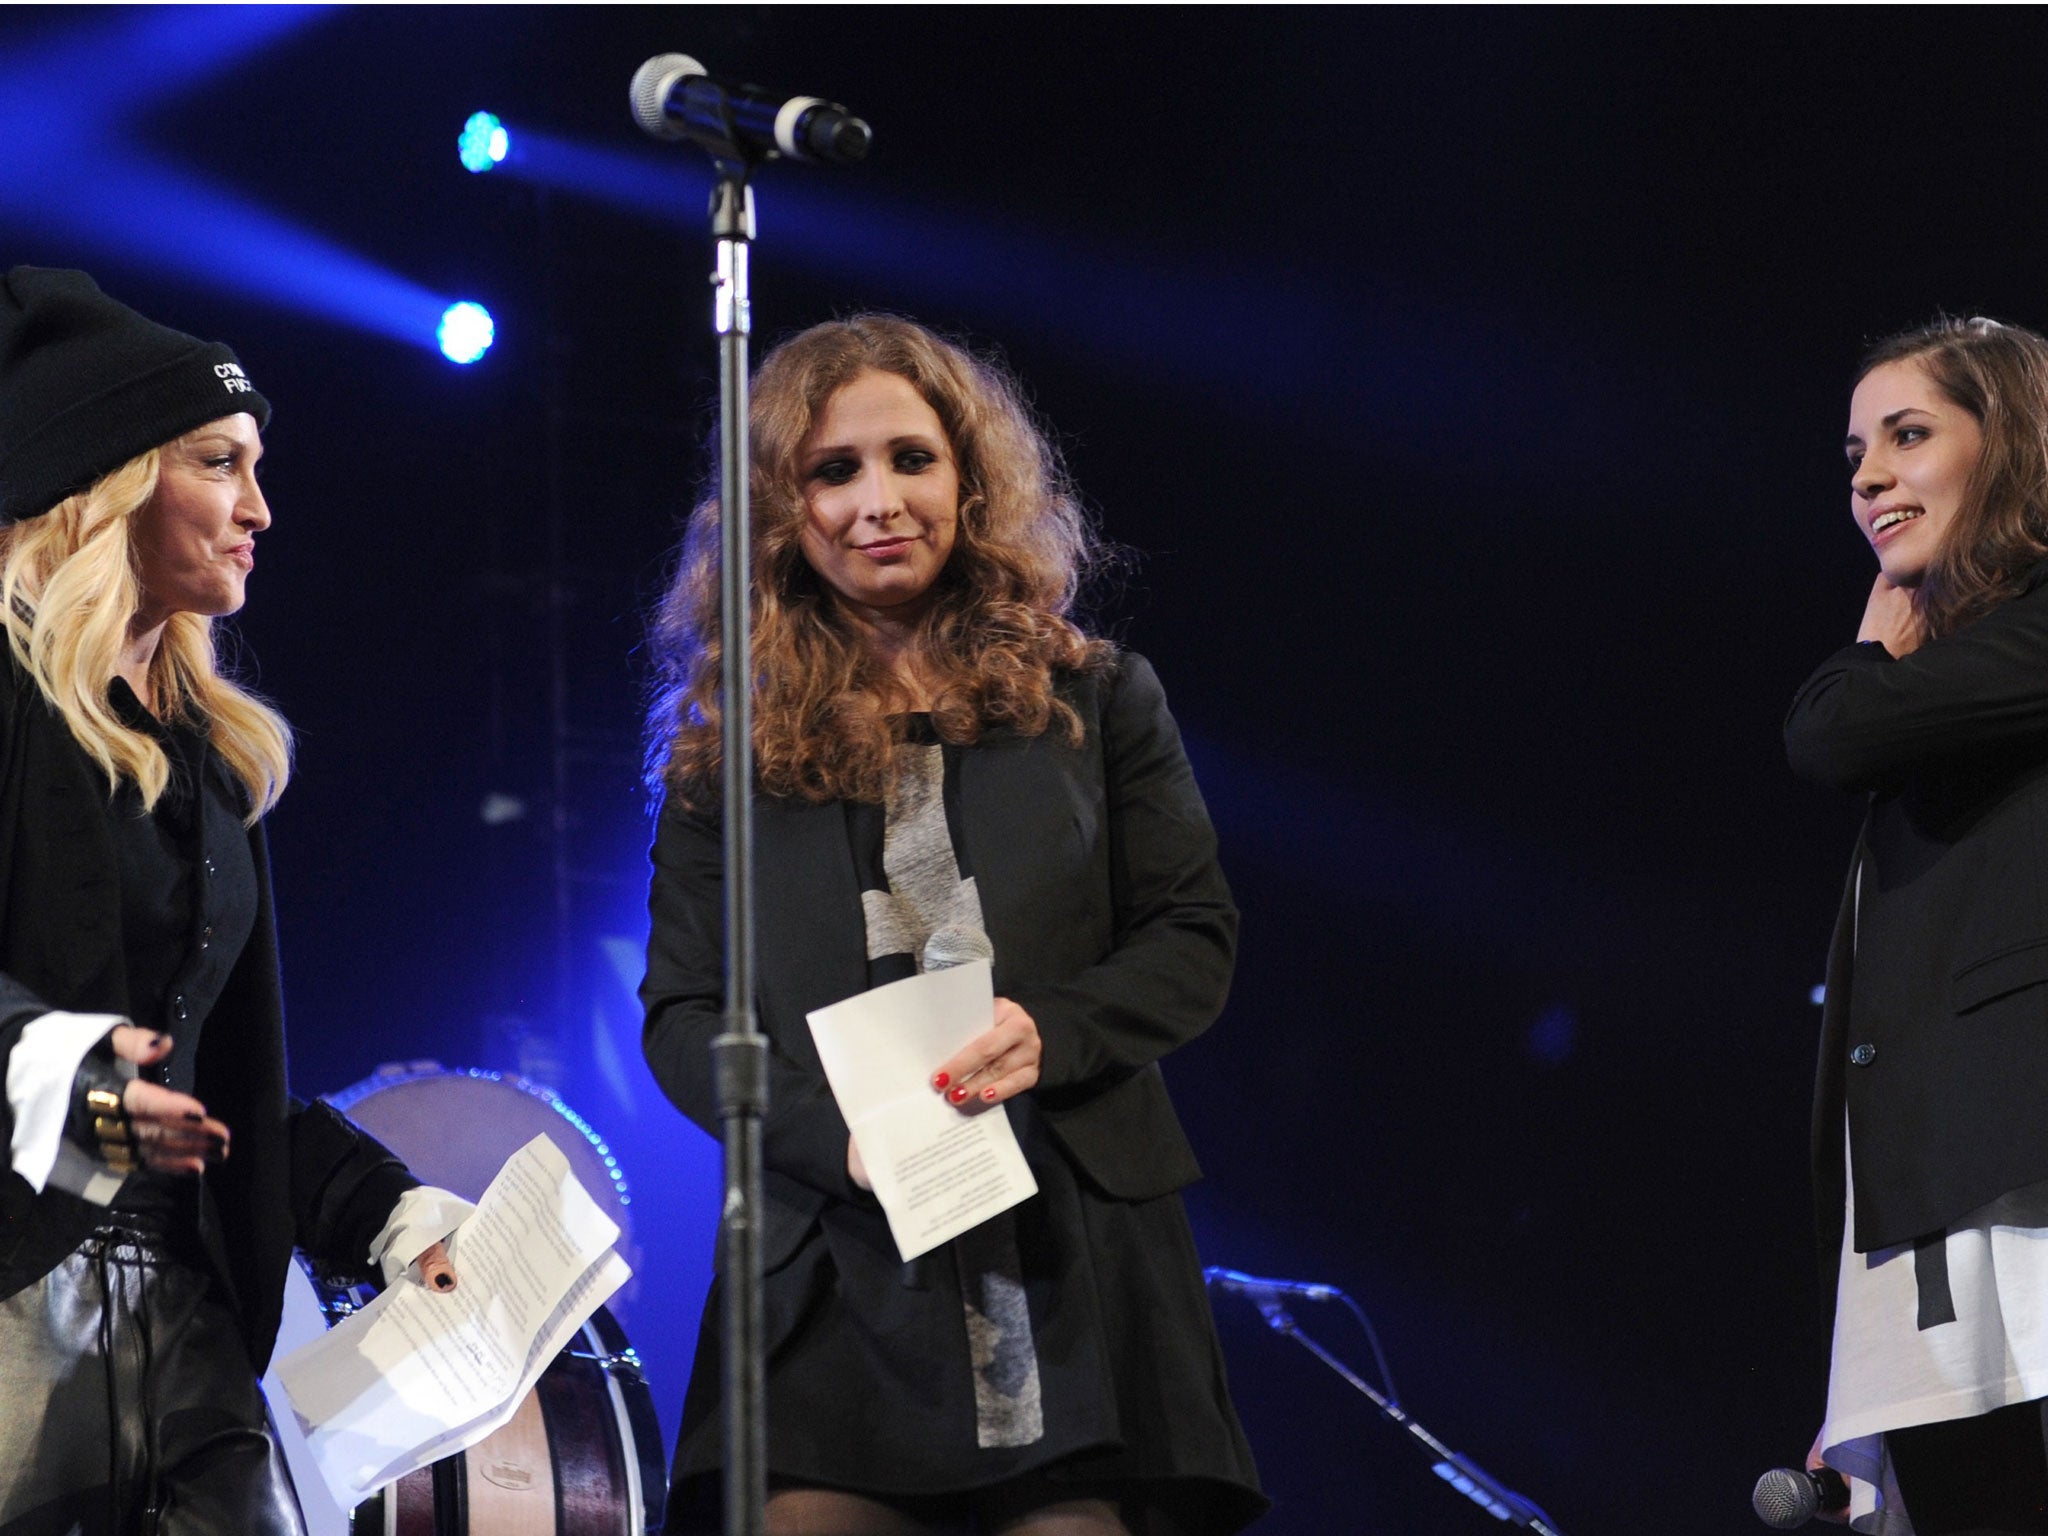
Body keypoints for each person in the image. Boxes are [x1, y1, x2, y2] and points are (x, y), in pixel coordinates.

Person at [641, 315, 1264, 1536]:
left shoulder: (1096, 697)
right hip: (830, 1265)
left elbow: (1192, 936)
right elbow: (684, 1014)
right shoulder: (726, 759)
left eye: (910, 459)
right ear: (779, 510)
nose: (879, 501)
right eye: (834, 472)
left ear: (969, 481)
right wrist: (838, 1143)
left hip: (1071, 1245)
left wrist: (1057, 1030)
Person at [0, 267, 471, 1536]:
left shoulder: (205, 761)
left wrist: (379, 1207)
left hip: (191, 1331)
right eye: (218, 462)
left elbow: (213, 1087)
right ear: (106, 484)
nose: (259, 508)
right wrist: (65, 1070)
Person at [1788, 316, 2048, 1534]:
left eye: (1906, 435)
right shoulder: (1956, 687)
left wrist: (1863, 651)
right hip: (1944, 1222)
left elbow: (1830, 734)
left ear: (2006, 442)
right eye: (1854, 453)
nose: (1867, 478)